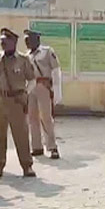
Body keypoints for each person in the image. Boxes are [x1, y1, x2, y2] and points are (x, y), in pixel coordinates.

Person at [0, 28, 37, 179]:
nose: (3, 43)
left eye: (6, 41)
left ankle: (27, 166)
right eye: (2, 41)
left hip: (17, 100)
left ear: (14, 42)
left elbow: (32, 79)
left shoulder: (23, 60)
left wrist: (25, 92)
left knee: (21, 134)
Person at [25, 29, 62, 159]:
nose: (27, 42)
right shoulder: (27, 55)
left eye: (29, 39)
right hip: (31, 87)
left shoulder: (47, 52)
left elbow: (56, 71)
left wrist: (57, 91)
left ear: (37, 40)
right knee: (32, 118)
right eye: (26, 39)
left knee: (46, 117)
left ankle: (52, 147)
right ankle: (36, 146)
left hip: (43, 86)